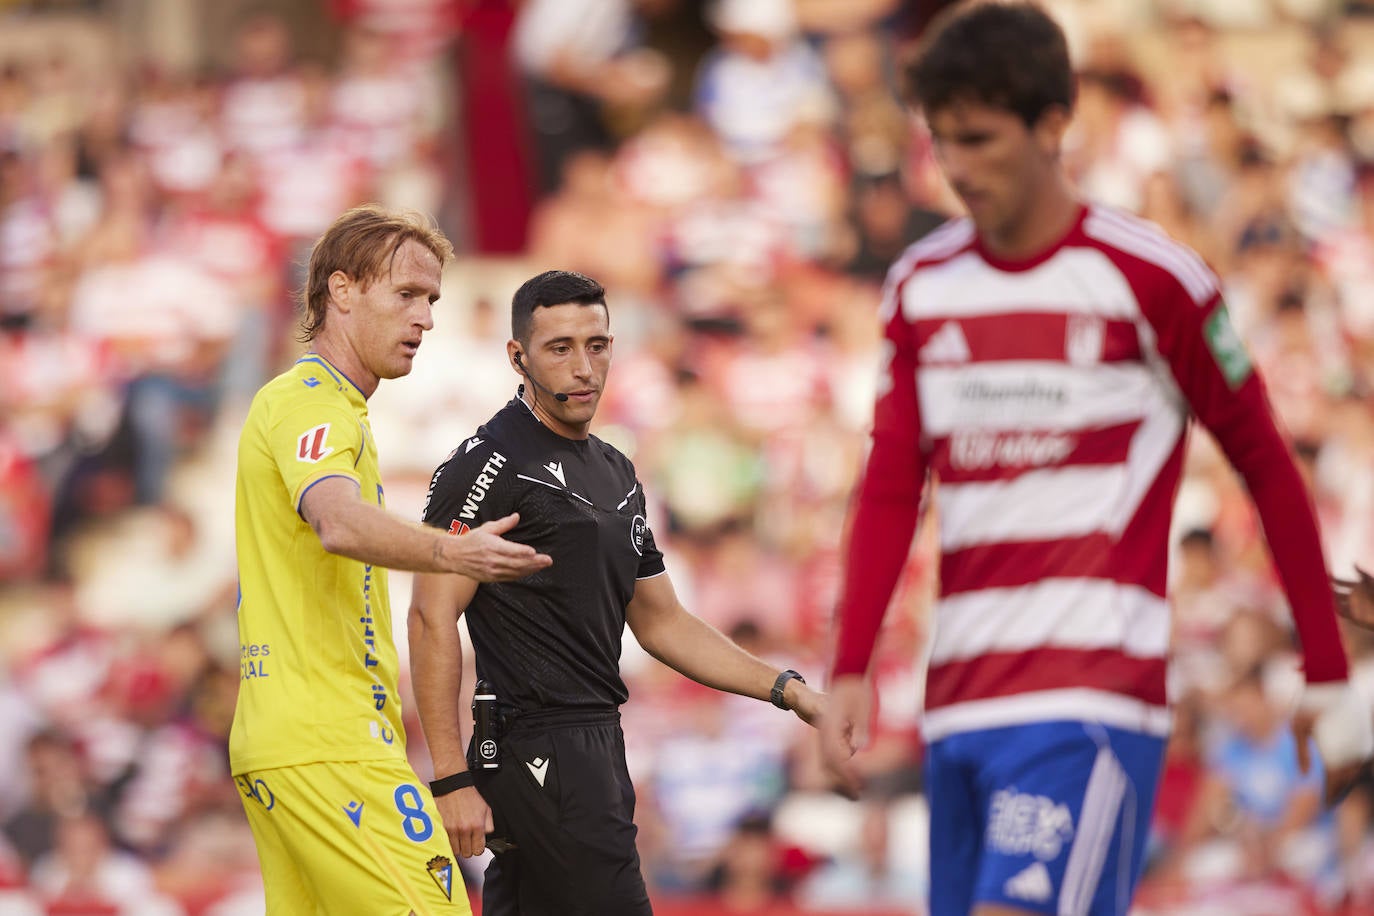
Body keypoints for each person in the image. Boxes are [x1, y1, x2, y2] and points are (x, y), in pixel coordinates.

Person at [814, 4, 1374, 916]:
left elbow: (1268, 467)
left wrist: (1323, 666)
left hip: (1090, 699)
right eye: (942, 141)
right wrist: (850, 666)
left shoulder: (1154, 279)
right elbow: (888, 485)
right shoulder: (922, 285)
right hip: (958, 705)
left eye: (980, 140)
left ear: (1053, 125)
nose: (956, 168)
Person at [407, 269, 825, 915]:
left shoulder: (616, 469)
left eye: (597, 345)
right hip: (536, 745)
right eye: (560, 347)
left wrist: (787, 689)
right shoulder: (487, 463)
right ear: (517, 356)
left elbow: (661, 622)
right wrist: (451, 777)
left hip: (597, 741)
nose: (584, 367)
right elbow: (431, 615)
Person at [230, 205, 551, 916]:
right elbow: (338, 523)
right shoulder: (309, 401)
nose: (427, 317)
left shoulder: (335, 413)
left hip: (292, 740)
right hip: (329, 743)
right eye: (407, 294)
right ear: (341, 291)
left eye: (432, 299)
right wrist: (453, 550)